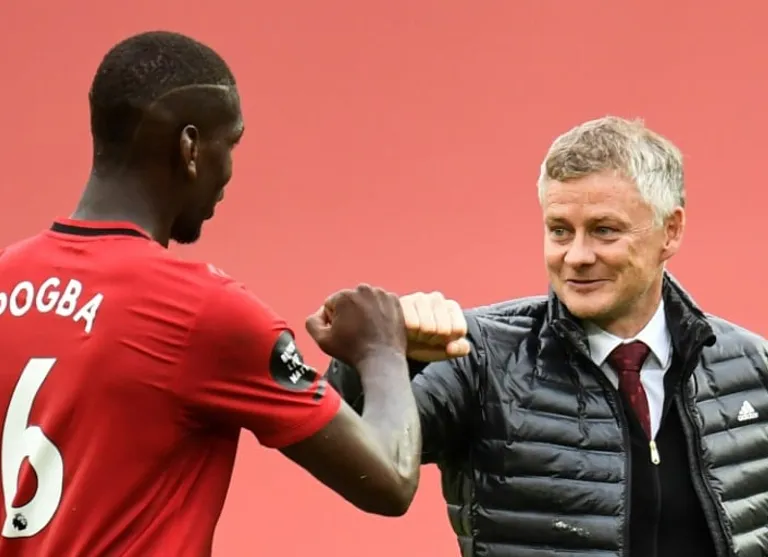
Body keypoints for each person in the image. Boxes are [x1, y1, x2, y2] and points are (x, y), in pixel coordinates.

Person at [0, 31, 470, 556]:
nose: (229, 171)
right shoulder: (201, 310)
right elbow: (389, 478)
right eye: (232, 143)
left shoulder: (7, 275)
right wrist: (381, 348)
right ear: (190, 148)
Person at [329, 116, 768, 557]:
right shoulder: (476, 356)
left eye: (604, 230)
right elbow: (350, 451)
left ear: (670, 231)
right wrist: (383, 355)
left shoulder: (752, 367)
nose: (576, 256)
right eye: (560, 230)